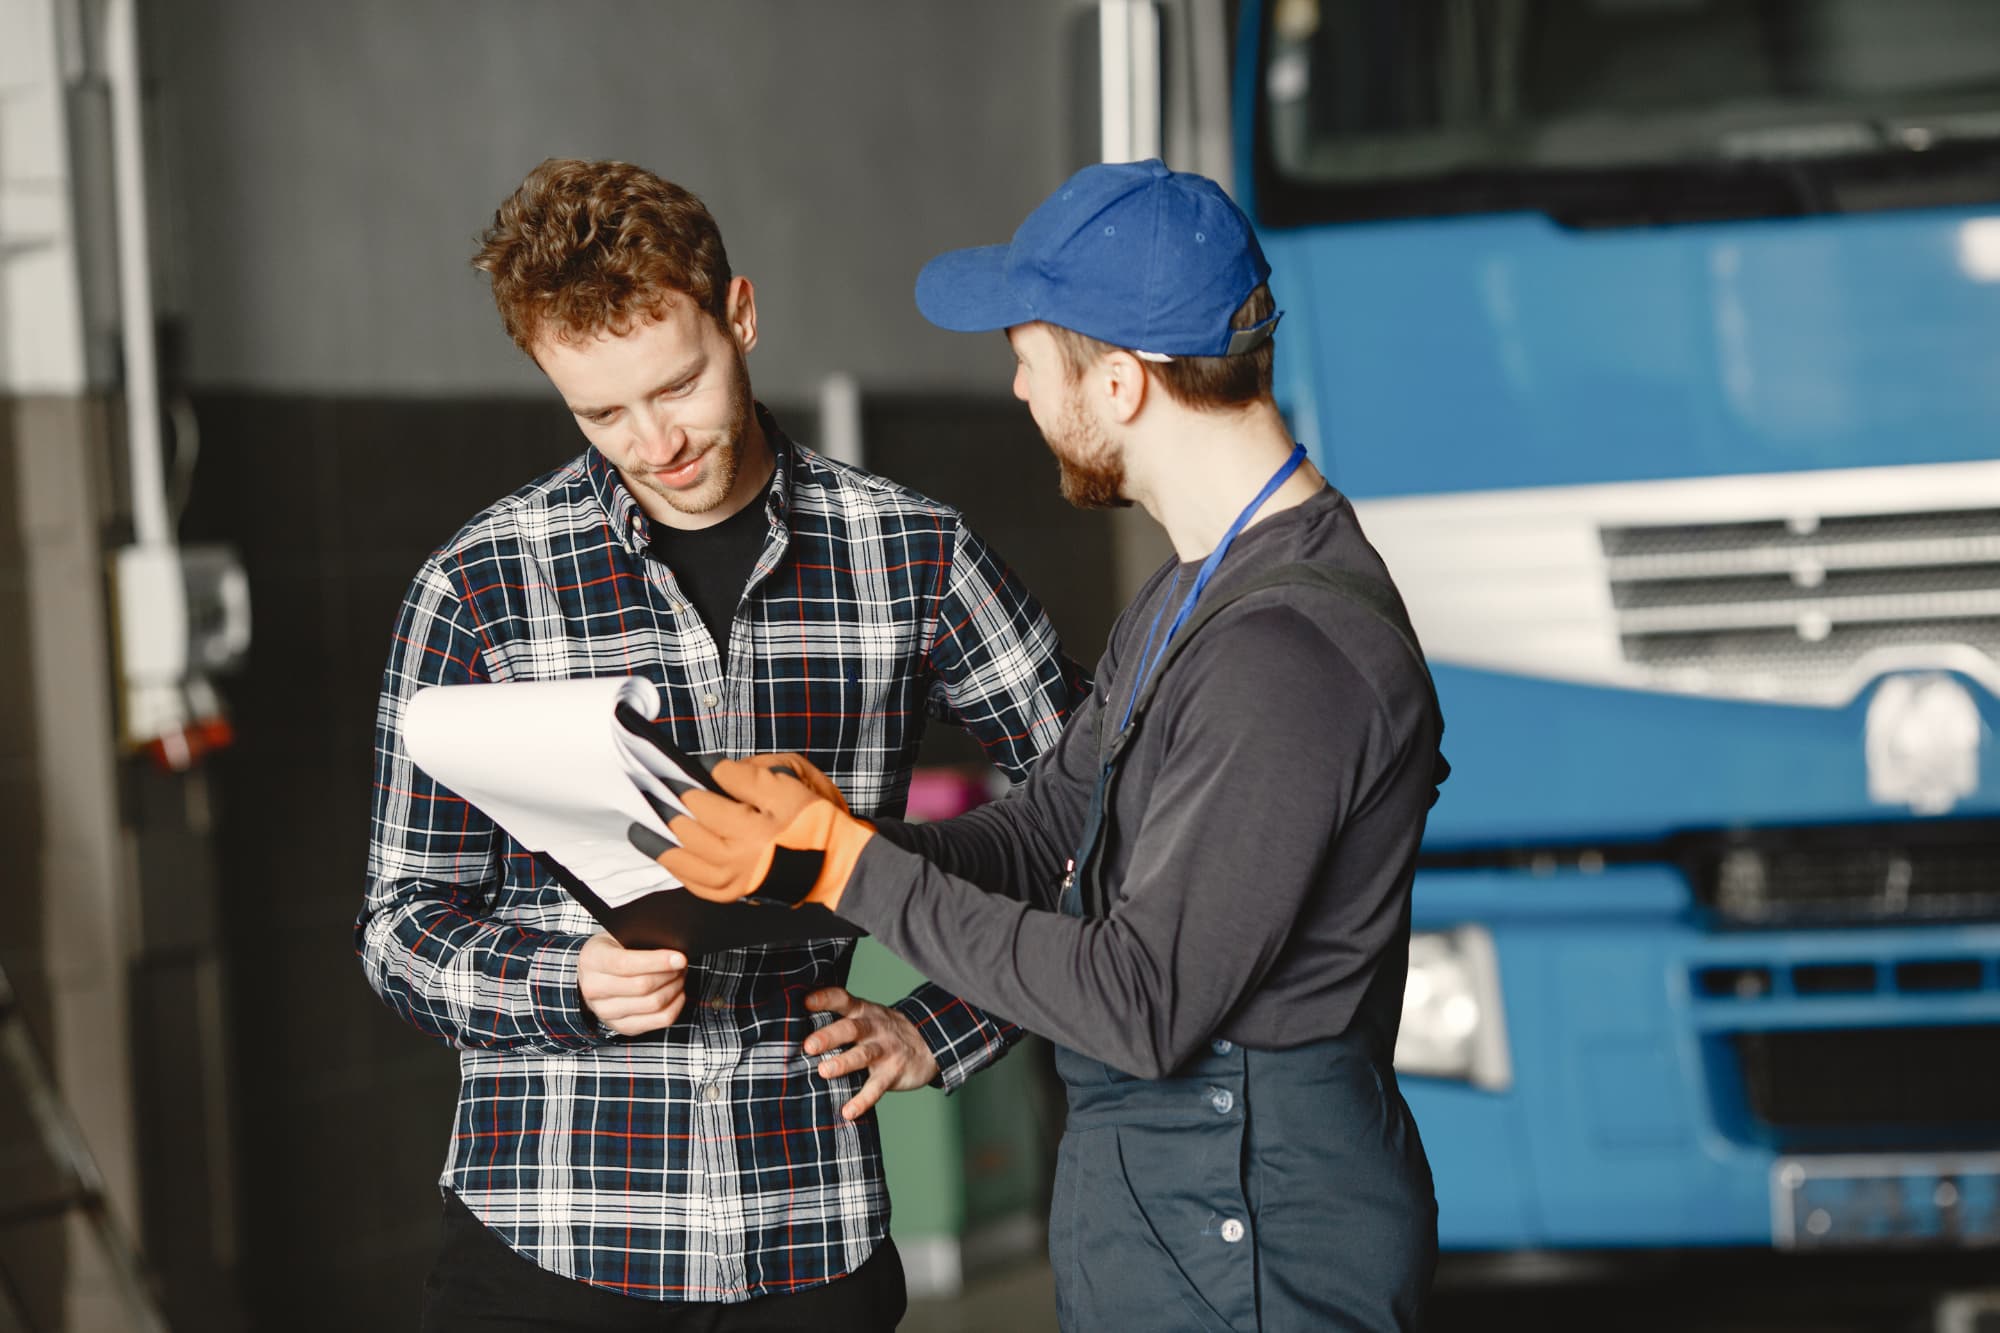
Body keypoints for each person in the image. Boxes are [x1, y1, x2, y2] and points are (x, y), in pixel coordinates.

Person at [651, 159, 1448, 1332]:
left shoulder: (1284, 655)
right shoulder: (1193, 595)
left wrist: (846, 872)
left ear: (1120, 381)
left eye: (1028, 353)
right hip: (1176, 1215)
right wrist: (830, 833)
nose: (1019, 389)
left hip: (1255, 1241)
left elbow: (1141, 998)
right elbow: (1043, 831)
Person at [357, 157, 1087, 1332]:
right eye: (600, 412)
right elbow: (400, 924)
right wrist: (567, 982)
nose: (654, 443)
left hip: (805, 1232)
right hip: (546, 1235)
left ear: (739, 315)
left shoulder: (911, 553)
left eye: (677, 384)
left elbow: (1093, 815)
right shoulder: (478, 587)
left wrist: (941, 1026)